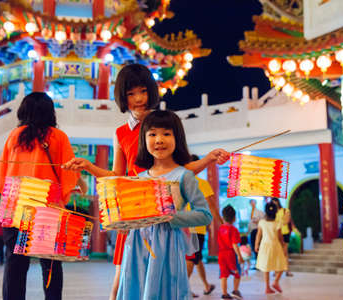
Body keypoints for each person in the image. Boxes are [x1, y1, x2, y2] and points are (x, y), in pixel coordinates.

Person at [62, 64, 229, 299]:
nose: (139, 99)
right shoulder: (121, 132)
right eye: (131, 94)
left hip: (164, 210)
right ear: (122, 96)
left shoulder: (166, 124)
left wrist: (210, 159)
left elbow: (179, 170)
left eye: (142, 91)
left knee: (160, 278)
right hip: (134, 211)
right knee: (123, 279)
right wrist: (89, 167)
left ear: (151, 90)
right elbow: (118, 176)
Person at [115, 110, 212, 299]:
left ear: (178, 138)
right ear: (144, 140)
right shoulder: (138, 179)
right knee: (136, 288)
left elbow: (204, 214)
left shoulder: (184, 176)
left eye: (166, 133)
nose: (159, 140)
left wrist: (172, 218)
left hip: (167, 246)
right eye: (152, 134)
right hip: (136, 246)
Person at [0, 92, 80, 300]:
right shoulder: (58, 137)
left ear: (23, 111)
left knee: (15, 264)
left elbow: (0, 181)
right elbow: (69, 175)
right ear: (50, 112)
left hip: (15, 211)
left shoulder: (15, 136)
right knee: (50, 264)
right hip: (47, 211)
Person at [186, 154, 222, 297]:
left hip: (183, 227)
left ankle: (206, 285)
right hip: (196, 227)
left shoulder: (181, 182)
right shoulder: (201, 183)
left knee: (197, 257)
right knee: (191, 258)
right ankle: (184, 289)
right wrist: (221, 223)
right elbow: (212, 206)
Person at [255, 202, 287, 294]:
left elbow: (258, 235)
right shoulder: (277, 223)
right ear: (276, 212)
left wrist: (256, 245)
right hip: (275, 245)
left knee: (266, 267)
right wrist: (283, 245)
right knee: (282, 264)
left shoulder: (262, 222)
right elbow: (280, 237)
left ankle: (267, 287)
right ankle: (276, 281)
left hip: (265, 246)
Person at [218, 205, 243, 300]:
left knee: (223, 274)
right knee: (237, 272)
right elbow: (234, 245)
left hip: (221, 254)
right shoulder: (234, 230)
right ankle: (235, 291)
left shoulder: (220, 229)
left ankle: (224, 294)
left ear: (223, 218)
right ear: (235, 218)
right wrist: (240, 256)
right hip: (231, 255)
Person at [272, 197, 293, 277]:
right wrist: (281, 221)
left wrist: (278, 222)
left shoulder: (285, 210)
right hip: (276, 234)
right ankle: (276, 271)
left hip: (285, 233)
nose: (274, 204)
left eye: (275, 202)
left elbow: (286, 221)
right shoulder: (272, 213)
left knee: (285, 253)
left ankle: (287, 270)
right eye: (273, 202)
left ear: (278, 202)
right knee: (276, 253)